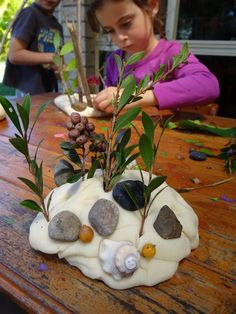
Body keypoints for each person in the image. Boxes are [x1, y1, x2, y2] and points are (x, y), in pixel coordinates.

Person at [87, 0, 220, 114]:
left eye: (126, 23)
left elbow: (208, 85)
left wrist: (134, 96)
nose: (120, 37)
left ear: (152, 6)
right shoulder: (113, 61)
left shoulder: (172, 54)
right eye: (110, 30)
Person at [3, 0, 63, 96]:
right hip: (26, 90)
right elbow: (14, 55)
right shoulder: (29, 14)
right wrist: (51, 57)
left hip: (46, 90)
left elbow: (57, 59)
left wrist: (60, 69)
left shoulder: (57, 26)